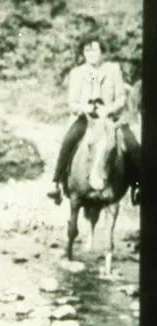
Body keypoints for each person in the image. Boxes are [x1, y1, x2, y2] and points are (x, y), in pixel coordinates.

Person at [47, 39, 141, 205]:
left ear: (103, 53)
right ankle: (57, 183)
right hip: (86, 118)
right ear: (83, 54)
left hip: (110, 118)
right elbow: (72, 103)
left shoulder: (113, 69)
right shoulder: (77, 73)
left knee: (131, 143)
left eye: (95, 51)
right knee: (69, 140)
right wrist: (85, 109)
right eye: (87, 51)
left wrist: (109, 110)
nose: (91, 55)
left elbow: (120, 98)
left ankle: (138, 185)